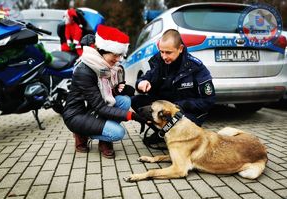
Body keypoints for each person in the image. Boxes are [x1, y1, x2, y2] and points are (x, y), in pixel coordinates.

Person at [62, 24, 145, 158]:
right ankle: (81, 133)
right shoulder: (85, 71)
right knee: (118, 133)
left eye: (120, 55)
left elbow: (107, 94)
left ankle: (104, 141)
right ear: (103, 50)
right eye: (116, 55)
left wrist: (120, 90)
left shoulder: (102, 66)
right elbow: (101, 107)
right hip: (76, 115)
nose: (119, 59)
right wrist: (132, 116)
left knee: (124, 101)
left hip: (91, 109)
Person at [131, 29, 216, 147]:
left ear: (180, 49)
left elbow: (208, 101)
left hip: (186, 112)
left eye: (168, 52)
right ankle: (162, 132)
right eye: (161, 52)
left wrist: (179, 106)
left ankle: (176, 135)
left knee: (178, 119)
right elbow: (145, 78)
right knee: (136, 101)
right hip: (165, 109)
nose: (164, 56)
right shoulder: (159, 62)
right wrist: (141, 83)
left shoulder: (196, 68)